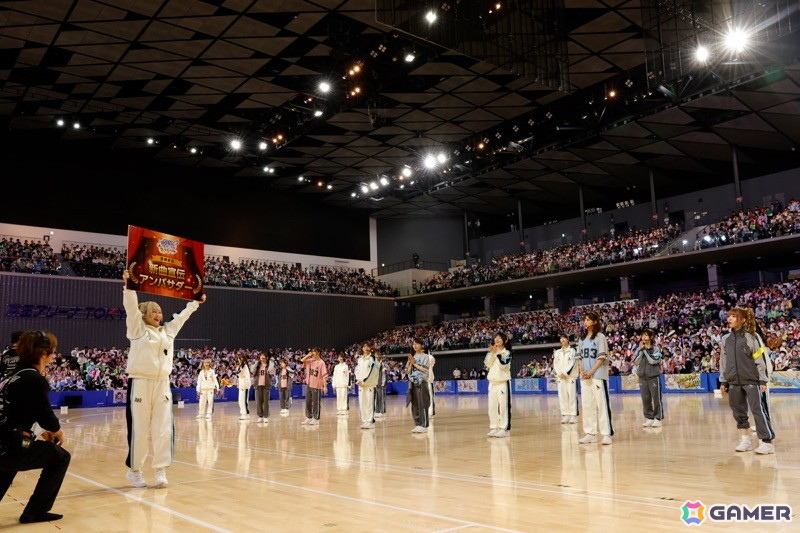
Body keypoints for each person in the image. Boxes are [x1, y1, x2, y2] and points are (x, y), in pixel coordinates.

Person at [122, 270, 205, 488]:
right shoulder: (137, 330)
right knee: (139, 429)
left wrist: (195, 303)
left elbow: (182, 316)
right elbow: (131, 308)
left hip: (162, 384)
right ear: (145, 315)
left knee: (163, 428)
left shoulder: (167, 332)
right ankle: (135, 471)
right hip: (140, 383)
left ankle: (160, 470)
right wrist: (129, 286)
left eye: (160, 311)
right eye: (154, 312)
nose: (159, 314)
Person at [0, 331, 70, 524]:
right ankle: (35, 512)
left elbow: (21, 410)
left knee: (8, 464)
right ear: (44, 353)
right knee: (60, 457)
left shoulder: (13, 374)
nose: (54, 355)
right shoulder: (34, 378)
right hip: (10, 444)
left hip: (3, 441)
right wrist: (56, 430)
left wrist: (44, 431)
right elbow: (47, 417)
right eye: (53, 351)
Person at [719, 308, 775, 454]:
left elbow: (760, 359)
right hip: (733, 382)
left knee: (758, 411)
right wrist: (724, 381)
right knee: (738, 412)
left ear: (743, 320)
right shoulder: (725, 339)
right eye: (729, 316)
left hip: (752, 380)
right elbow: (723, 361)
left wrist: (762, 380)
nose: (729, 319)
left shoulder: (753, 337)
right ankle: (746, 441)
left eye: (733, 316)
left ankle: (766, 442)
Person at [578, 312, 614, 445]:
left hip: (598, 375)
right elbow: (579, 357)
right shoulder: (581, 339)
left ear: (594, 322)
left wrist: (591, 371)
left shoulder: (600, 337)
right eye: (584, 320)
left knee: (602, 405)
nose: (585, 322)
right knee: (587, 406)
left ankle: (606, 434)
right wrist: (582, 370)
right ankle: (590, 433)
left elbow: (602, 357)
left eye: (588, 320)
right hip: (585, 377)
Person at [633, 329, 664, 428]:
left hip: (653, 376)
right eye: (643, 335)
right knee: (645, 399)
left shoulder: (656, 349)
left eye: (646, 335)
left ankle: (657, 418)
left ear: (651, 337)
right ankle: (649, 418)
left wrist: (645, 351)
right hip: (643, 377)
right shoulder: (639, 349)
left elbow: (653, 361)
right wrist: (642, 350)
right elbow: (636, 361)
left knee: (656, 399)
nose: (644, 337)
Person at [484, 332, 512, 438]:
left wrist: (498, 354)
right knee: (492, 407)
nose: (497, 339)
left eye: (499, 338)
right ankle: (495, 427)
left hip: (503, 383)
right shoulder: (492, 351)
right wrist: (492, 352)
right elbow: (487, 363)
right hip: (492, 383)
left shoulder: (507, 353)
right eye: (495, 338)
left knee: (504, 406)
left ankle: (504, 428)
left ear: (505, 340)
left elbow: (504, 365)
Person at [406, 338, 432, 433]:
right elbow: (407, 371)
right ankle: (417, 424)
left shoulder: (426, 356)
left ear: (422, 346)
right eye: (413, 344)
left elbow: (425, 370)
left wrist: (415, 364)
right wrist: (410, 364)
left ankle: (424, 425)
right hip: (412, 382)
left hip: (422, 381)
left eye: (417, 344)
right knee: (415, 404)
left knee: (423, 403)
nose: (415, 345)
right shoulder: (412, 357)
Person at [553, 333, 578, 424]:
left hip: (570, 377)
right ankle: (566, 415)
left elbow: (573, 363)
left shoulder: (572, 350)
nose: (562, 340)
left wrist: (565, 373)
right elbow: (555, 364)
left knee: (572, 396)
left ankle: (573, 415)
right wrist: (559, 373)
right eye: (561, 338)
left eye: (564, 338)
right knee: (562, 396)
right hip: (560, 378)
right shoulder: (557, 352)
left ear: (568, 340)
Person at [300, 348, 328, 425]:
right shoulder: (310, 361)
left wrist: (325, 386)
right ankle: (309, 417)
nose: (313, 353)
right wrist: (308, 355)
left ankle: (316, 418)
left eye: (314, 351)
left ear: (318, 352)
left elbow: (324, 375)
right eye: (312, 351)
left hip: (317, 384)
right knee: (308, 401)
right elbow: (301, 361)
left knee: (316, 402)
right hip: (309, 383)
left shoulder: (321, 362)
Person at [355, 344, 379, 429]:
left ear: (370, 348)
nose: (366, 348)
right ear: (362, 348)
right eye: (364, 346)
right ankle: (365, 420)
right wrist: (358, 380)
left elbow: (373, 371)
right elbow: (357, 370)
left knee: (369, 403)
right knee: (362, 403)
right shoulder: (360, 359)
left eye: (368, 346)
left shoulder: (372, 358)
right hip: (361, 385)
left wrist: (365, 381)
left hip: (369, 384)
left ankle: (370, 421)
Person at [253, 353, 271, 423]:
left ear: (266, 358)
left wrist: (268, 363)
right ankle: (260, 416)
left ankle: (265, 416)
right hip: (258, 385)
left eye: (263, 358)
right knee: (258, 402)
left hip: (266, 385)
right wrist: (257, 363)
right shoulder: (257, 366)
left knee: (266, 402)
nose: (262, 359)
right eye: (261, 358)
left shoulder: (269, 366)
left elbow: (272, 370)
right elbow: (252, 370)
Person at [236, 354, 252, 421]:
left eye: (241, 359)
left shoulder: (245, 366)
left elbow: (241, 374)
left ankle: (245, 414)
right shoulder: (239, 366)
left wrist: (237, 372)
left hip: (245, 385)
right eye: (239, 359)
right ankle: (243, 413)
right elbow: (238, 375)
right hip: (241, 385)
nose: (239, 360)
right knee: (240, 401)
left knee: (244, 400)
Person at [374, 351, 387, 419]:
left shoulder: (382, 364)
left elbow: (384, 374)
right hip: (375, 383)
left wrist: (383, 383)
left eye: (377, 356)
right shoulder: (374, 364)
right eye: (375, 356)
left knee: (381, 398)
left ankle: (382, 411)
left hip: (381, 383)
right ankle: (377, 411)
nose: (376, 357)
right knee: (376, 398)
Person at [427, 353, 437, 418]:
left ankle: (429, 412)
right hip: (425, 380)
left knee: (429, 397)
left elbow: (433, 362)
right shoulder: (429, 357)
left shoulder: (430, 357)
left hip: (427, 380)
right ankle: (429, 412)